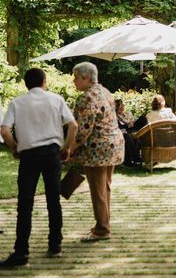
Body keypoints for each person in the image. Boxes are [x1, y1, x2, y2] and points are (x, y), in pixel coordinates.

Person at [0, 68, 77, 267]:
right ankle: (55, 246)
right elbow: (73, 125)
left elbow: (5, 130)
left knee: (25, 203)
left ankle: (21, 253)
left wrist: (15, 147)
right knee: (54, 200)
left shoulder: (17, 103)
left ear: (26, 84)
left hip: (29, 155)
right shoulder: (56, 99)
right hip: (52, 153)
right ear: (44, 81)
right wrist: (67, 148)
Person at [69, 62, 124, 242]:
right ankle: (103, 224)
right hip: (113, 145)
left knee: (97, 190)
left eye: (76, 77)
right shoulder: (105, 92)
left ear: (86, 78)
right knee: (105, 188)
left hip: (97, 149)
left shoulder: (87, 97)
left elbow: (83, 130)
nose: (73, 81)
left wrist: (68, 149)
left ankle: (102, 229)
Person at [115, 99, 140, 167]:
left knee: (143, 119)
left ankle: (136, 158)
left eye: (122, 104)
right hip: (124, 131)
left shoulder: (127, 113)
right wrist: (128, 125)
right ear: (117, 107)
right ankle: (134, 158)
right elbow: (119, 127)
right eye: (121, 105)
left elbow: (134, 119)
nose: (123, 106)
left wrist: (132, 121)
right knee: (127, 136)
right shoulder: (115, 117)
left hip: (132, 128)